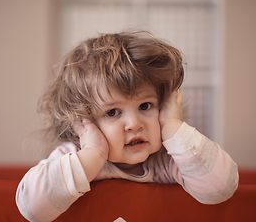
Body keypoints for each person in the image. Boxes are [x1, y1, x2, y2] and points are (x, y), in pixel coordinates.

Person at [16, 31, 239, 222]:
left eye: (145, 106)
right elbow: (32, 209)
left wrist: (173, 127)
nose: (134, 124)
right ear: (82, 123)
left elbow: (220, 189)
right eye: (112, 112)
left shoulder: (168, 159)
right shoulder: (74, 157)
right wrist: (94, 154)